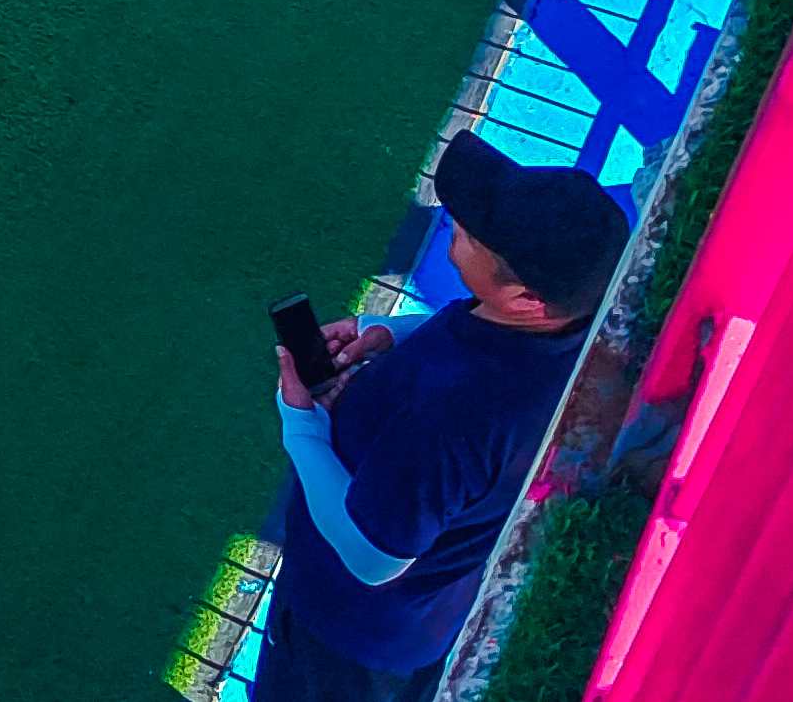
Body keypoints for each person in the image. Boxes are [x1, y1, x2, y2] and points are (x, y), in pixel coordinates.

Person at [257, 131, 633, 702]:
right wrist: (385, 333)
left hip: (345, 637)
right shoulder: (575, 334)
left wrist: (302, 426)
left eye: (469, 234)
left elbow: (372, 556)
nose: (454, 222)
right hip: (421, 625)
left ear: (527, 299)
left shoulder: (455, 415)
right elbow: (470, 328)